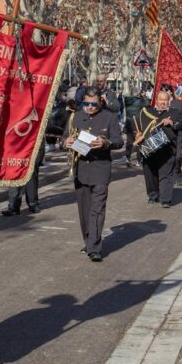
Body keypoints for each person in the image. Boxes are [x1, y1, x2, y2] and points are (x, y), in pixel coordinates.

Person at [63, 87, 123, 262]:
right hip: (81, 170)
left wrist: (105, 142)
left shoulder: (110, 117)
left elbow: (118, 141)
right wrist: (65, 142)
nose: (89, 107)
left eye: (93, 104)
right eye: (86, 104)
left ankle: (94, 247)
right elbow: (64, 137)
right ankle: (88, 241)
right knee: (84, 210)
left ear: (100, 102)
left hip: (100, 169)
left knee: (97, 209)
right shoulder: (75, 117)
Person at [135, 89, 182, 208]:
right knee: (150, 174)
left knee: (166, 175)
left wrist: (171, 123)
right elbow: (136, 125)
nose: (163, 102)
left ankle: (165, 199)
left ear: (169, 101)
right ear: (156, 100)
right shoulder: (146, 112)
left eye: (165, 100)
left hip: (167, 149)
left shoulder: (174, 113)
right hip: (149, 148)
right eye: (160, 100)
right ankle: (153, 195)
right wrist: (137, 134)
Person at [121, 90, 146, 167]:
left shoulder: (127, 100)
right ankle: (139, 160)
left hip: (129, 122)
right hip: (137, 123)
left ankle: (127, 158)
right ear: (138, 94)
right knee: (139, 141)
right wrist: (144, 96)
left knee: (129, 142)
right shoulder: (141, 101)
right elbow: (148, 105)